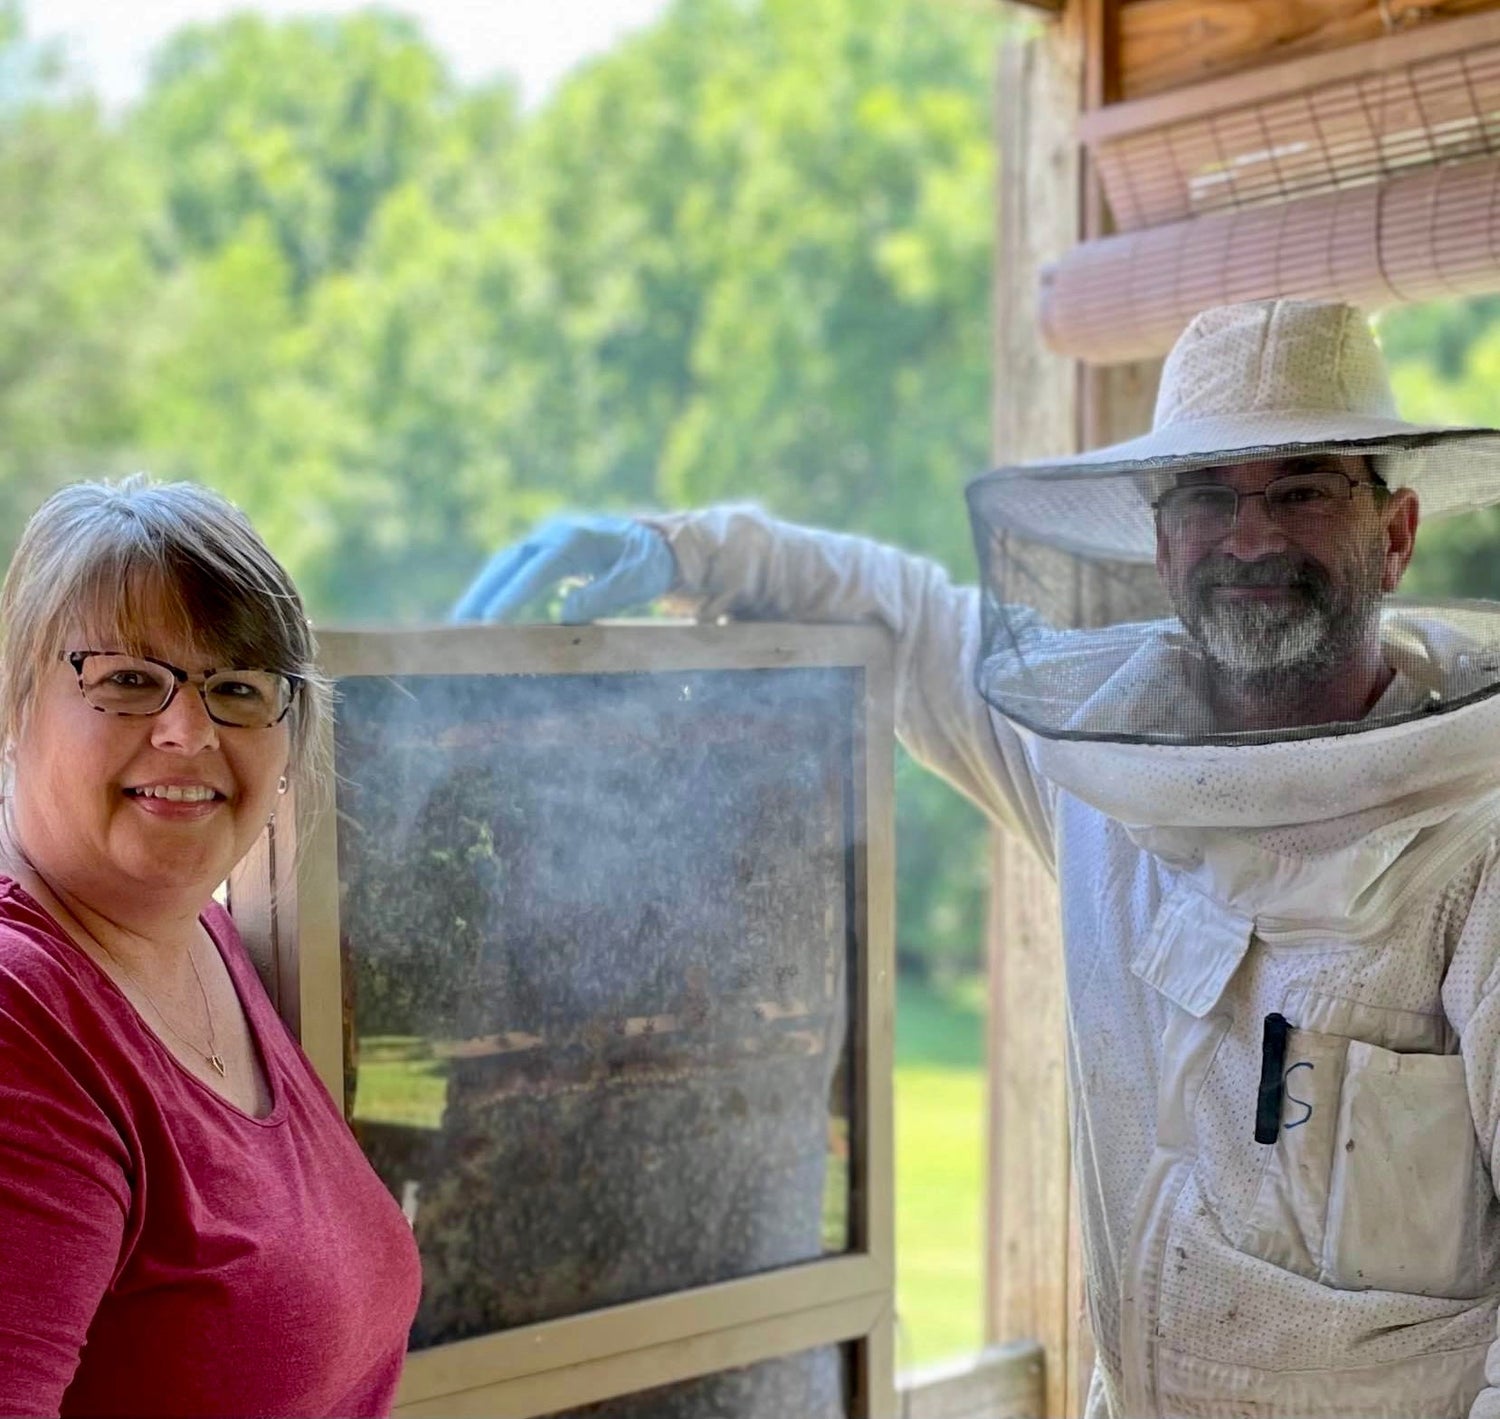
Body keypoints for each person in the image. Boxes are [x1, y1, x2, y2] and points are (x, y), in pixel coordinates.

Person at [456, 298, 1500, 1416]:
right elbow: (905, 618)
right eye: (1206, 495)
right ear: (1160, 547)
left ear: (1394, 537)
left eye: (1301, 488)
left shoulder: (1474, 841)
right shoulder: (1097, 764)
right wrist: (679, 551)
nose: (1249, 537)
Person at [0, 477, 422, 1416]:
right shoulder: (20, 1016)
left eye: (236, 688)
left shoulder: (201, 931)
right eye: (125, 679)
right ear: (16, 705)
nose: (188, 731)